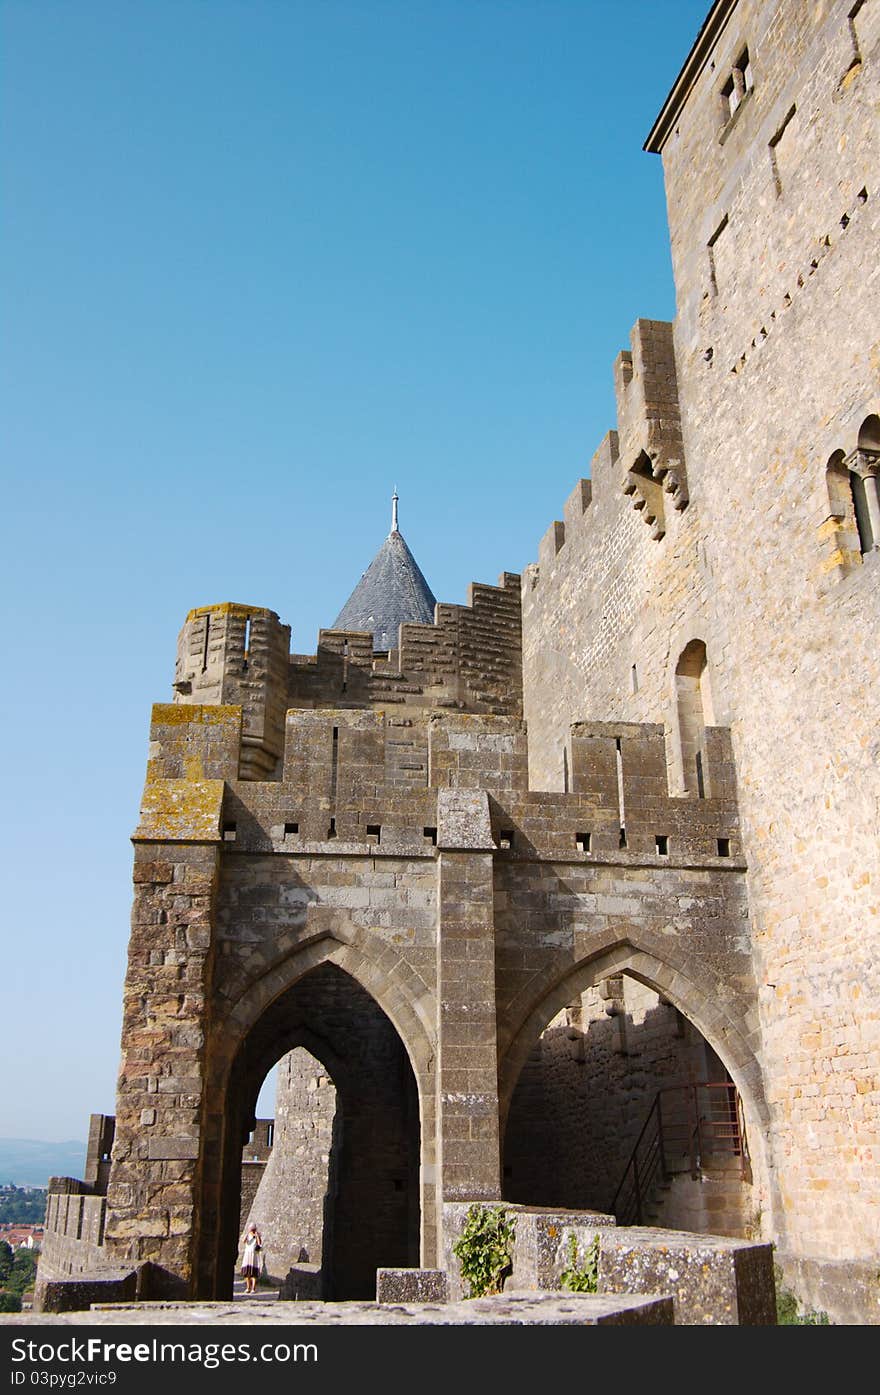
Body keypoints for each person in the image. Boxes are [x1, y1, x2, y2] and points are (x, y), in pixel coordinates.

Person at [240, 1222, 263, 1294]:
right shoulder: (248, 1235)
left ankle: (253, 1288)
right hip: (248, 1254)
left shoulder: (257, 1235)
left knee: (254, 1272)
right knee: (247, 1273)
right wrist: (247, 1235)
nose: (252, 1230)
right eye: (251, 1229)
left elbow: (259, 1244)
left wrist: (257, 1236)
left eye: (253, 1229)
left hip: (254, 1255)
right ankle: (248, 1287)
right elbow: (244, 1241)